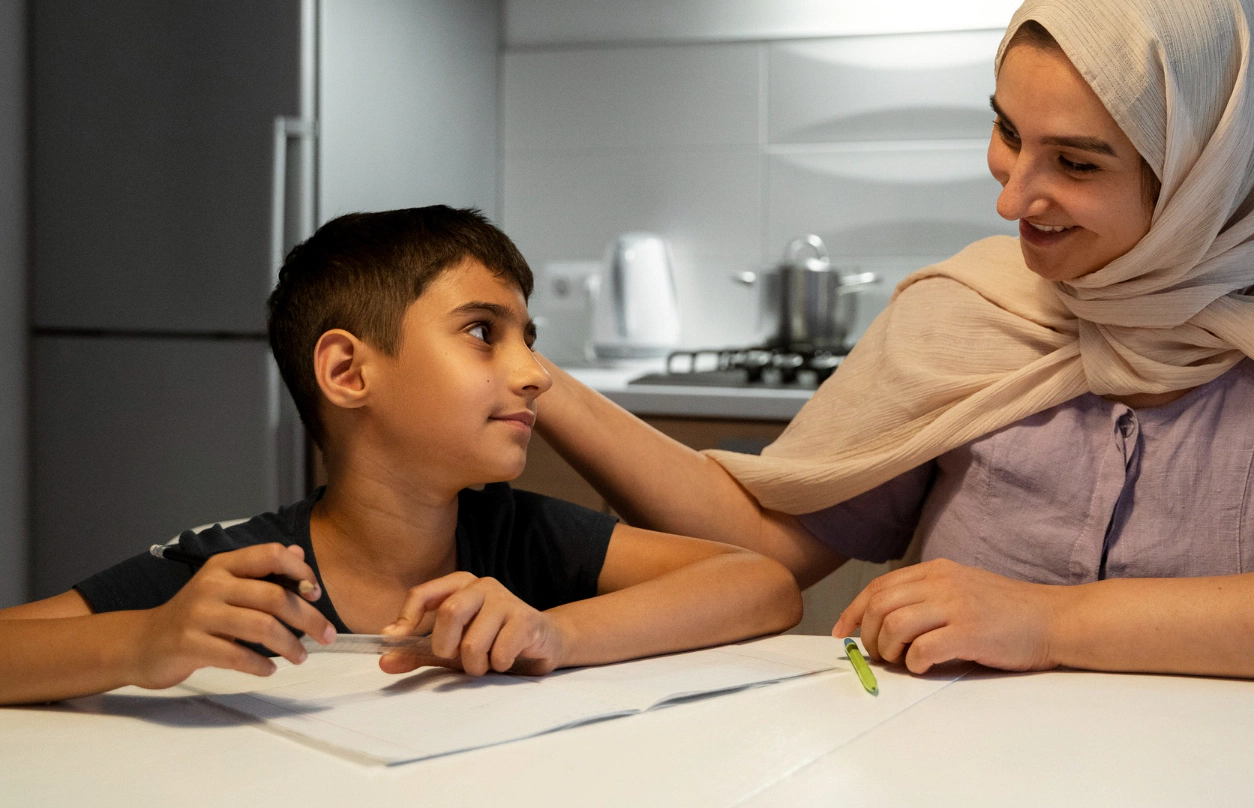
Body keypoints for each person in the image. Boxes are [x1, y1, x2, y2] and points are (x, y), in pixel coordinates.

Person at [535, 0, 1254, 689]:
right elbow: (766, 543)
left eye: (1076, 163)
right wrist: (539, 384)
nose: (1011, 197)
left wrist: (1046, 621)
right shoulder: (972, 310)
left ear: (1209, 176)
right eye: (1006, 132)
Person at [0, 206, 802, 705]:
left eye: (530, 340)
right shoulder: (244, 570)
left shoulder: (517, 537)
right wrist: (147, 642)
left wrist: (556, 635)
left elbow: (760, 584)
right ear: (349, 372)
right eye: (484, 332)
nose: (532, 376)